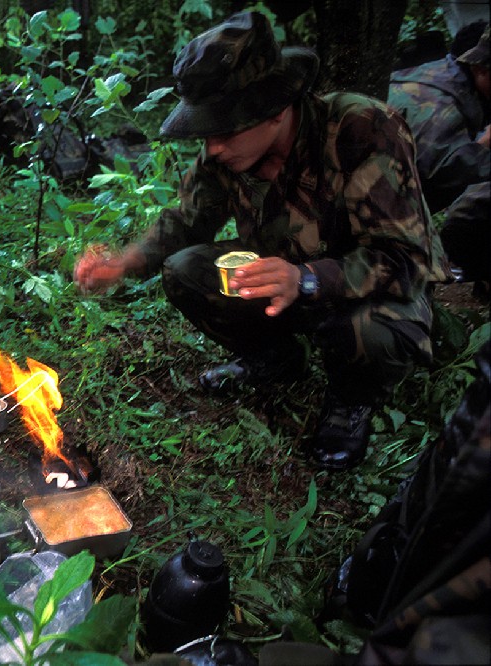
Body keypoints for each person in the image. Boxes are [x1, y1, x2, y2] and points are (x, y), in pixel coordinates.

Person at [73, 12, 451, 471]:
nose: (212, 147)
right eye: (205, 130)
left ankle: (352, 398)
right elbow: (185, 223)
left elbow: (405, 258)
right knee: (186, 270)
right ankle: (276, 359)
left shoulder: (362, 129)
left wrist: (307, 280)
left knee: (368, 331)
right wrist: (124, 263)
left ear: (275, 109)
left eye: (224, 129)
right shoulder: (227, 153)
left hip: (374, 291)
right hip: (282, 280)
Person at [388, 22, 491, 293]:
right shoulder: (440, 105)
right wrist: (485, 145)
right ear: (480, 69)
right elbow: (436, 172)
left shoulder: (440, 74)